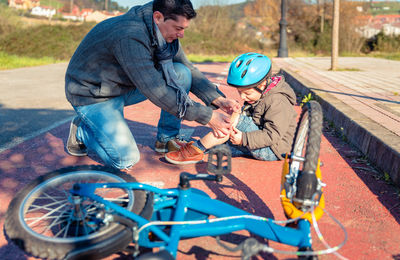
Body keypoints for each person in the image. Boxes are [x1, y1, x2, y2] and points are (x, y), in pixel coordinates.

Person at [65, 0, 239, 169]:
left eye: (184, 29)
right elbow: (158, 92)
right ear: (158, 17)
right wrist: (208, 117)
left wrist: (217, 100)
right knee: (125, 159)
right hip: (92, 95)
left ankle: (167, 138)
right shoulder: (130, 36)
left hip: (119, 86)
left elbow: (187, 68)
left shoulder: (162, 30)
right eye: (178, 28)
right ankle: (81, 130)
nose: (182, 34)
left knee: (181, 73)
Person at [165, 52, 298, 165]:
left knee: (234, 121)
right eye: (240, 92)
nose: (243, 97)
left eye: (247, 93)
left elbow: (272, 135)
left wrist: (244, 138)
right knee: (221, 143)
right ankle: (201, 147)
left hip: (272, 149)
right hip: (260, 141)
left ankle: (196, 149)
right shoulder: (262, 93)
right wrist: (241, 111)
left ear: (262, 85)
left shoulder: (278, 101)